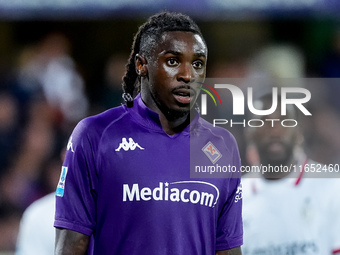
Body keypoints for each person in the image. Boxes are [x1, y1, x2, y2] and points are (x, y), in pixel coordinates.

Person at [54, 11, 243, 255]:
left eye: (197, 64)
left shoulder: (222, 145)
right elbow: (71, 246)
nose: (188, 75)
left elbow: (228, 249)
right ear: (141, 65)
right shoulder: (96, 135)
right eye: (173, 61)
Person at [241, 91, 340, 254]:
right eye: (264, 122)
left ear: (299, 132)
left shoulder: (332, 186)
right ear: (249, 133)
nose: (274, 131)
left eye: (284, 121)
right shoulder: (234, 198)